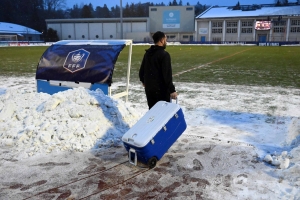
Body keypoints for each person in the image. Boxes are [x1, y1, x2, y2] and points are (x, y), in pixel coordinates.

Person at [139, 31, 178, 109]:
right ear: (162, 40)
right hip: (161, 91)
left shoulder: (148, 53)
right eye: (165, 39)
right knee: (162, 114)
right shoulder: (164, 55)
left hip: (149, 90)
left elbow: (141, 71)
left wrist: (143, 81)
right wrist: (172, 90)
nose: (166, 41)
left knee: (152, 113)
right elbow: (166, 75)